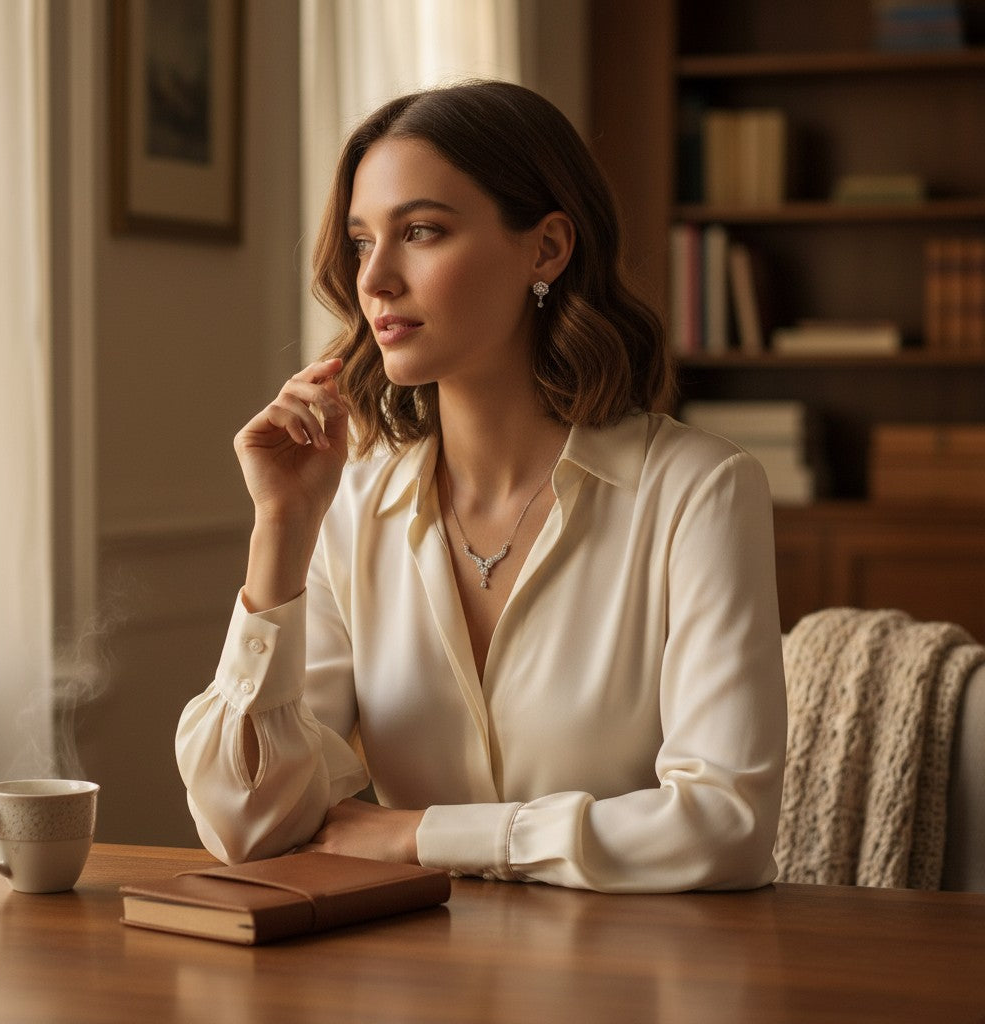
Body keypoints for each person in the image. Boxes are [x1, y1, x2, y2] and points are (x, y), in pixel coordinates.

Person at [175, 80, 787, 893]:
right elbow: (248, 825)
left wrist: (419, 835)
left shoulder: (699, 494)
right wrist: (280, 530)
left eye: (421, 231)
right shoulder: (350, 507)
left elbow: (724, 827)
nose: (377, 279)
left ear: (547, 249)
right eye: (362, 242)